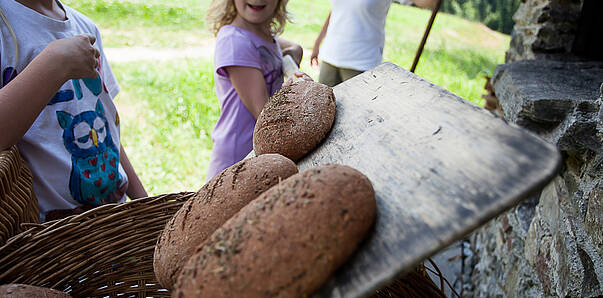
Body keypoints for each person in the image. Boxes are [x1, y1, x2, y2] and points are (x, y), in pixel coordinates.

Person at [0, 0, 147, 221]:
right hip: (49, 238)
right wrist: (55, 63)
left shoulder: (85, 27)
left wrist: (141, 201)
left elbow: (108, 132)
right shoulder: (6, 29)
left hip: (114, 225)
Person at [205, 0, 311, 180]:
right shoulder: (234, 41)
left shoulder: (263, 34)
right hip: (238, 160)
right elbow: (265, 116)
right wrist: (294, 92)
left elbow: (294, 48)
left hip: (261, 154)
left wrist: (291, 64)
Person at [311, 0, 436, 87]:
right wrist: (318, 43)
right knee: (322, 112)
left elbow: (428, 2)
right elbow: (337, 11)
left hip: (361, 63)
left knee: (354, 115)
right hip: (329, 56)